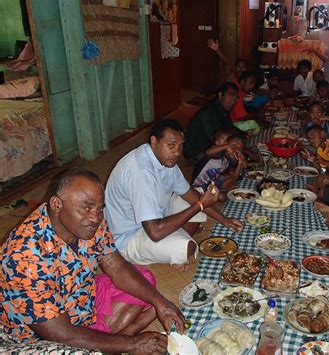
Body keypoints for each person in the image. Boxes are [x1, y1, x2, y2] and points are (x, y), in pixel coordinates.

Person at [0, 169, 184, 353]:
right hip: (37, 337)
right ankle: (116, 341)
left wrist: (160, 302)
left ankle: (110, 339)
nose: (95, 218)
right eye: (86, 207)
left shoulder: (90, 223)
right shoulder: (23, 257)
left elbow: (116, 266)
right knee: (73, 351)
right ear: (56, 205)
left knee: (144, 281)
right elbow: (60, 335)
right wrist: (134, 344)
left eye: (99, 208)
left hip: (79, 303)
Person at [105, 119, 243, 268]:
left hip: (157, 217)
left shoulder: (164, 159)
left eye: (180, 145)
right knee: (187, 247)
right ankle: (167, 244)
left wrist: (224, 219)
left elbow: (190, 194)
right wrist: (200, 205)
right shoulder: (141, 172)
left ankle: (170, 239)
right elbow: (155, 232)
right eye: (171, 145)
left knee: (197, 194)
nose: (177, 152)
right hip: (129, 236)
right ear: (154, 141)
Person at [183, 82, 238, 164]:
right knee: (230, 154)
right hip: (195, 154)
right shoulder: (209, 113)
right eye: (230, 96)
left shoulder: (222, 109)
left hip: (208, 147)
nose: (233, 101)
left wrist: (242, 135)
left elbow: (230, 128)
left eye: (236, 98)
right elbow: (218, 140)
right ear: (220, 95)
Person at [192, 134, 245, 202]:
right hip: (199, 186)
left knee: (231, 176)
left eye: (239, 148)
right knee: (221, 197)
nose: (235, 148)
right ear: (225, 143)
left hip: (212, 183)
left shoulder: (228, 159)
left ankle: (222, 190)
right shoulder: (218, 153)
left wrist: (240, 163)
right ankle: (222, 191)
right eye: (234, 145)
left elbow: (234, 179)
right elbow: (208, 152)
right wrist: (226, 146)